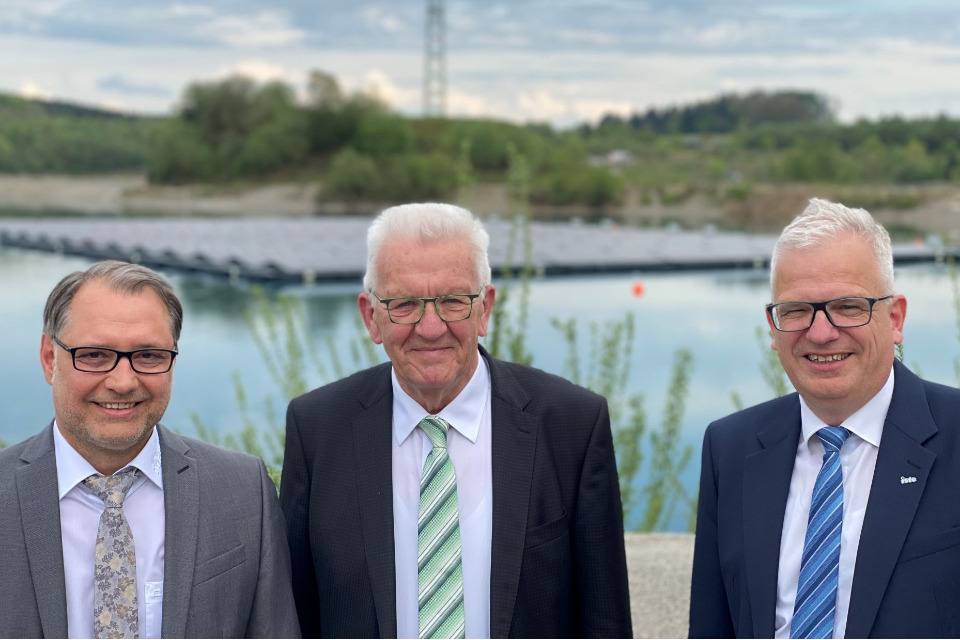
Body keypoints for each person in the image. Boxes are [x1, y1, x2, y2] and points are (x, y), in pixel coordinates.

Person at [280, 203, 632, 638]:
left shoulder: (572, 425)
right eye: (405, 304)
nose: (431, 328)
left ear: (484, 309)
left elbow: (606, 622)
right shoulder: (316, 429)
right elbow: (293, 618)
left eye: (452, 301)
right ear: (372, 317)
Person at [689, 198, 960, 638]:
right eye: (796, 310)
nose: (820, 332)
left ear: (895, 319)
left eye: (848, 306)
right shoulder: (730, 447)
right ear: (773, 329)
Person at [0, 260, 300, 638]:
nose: (123, 382)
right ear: (49, 359)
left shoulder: (242, 491)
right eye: (94, 355)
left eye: (148, 356)